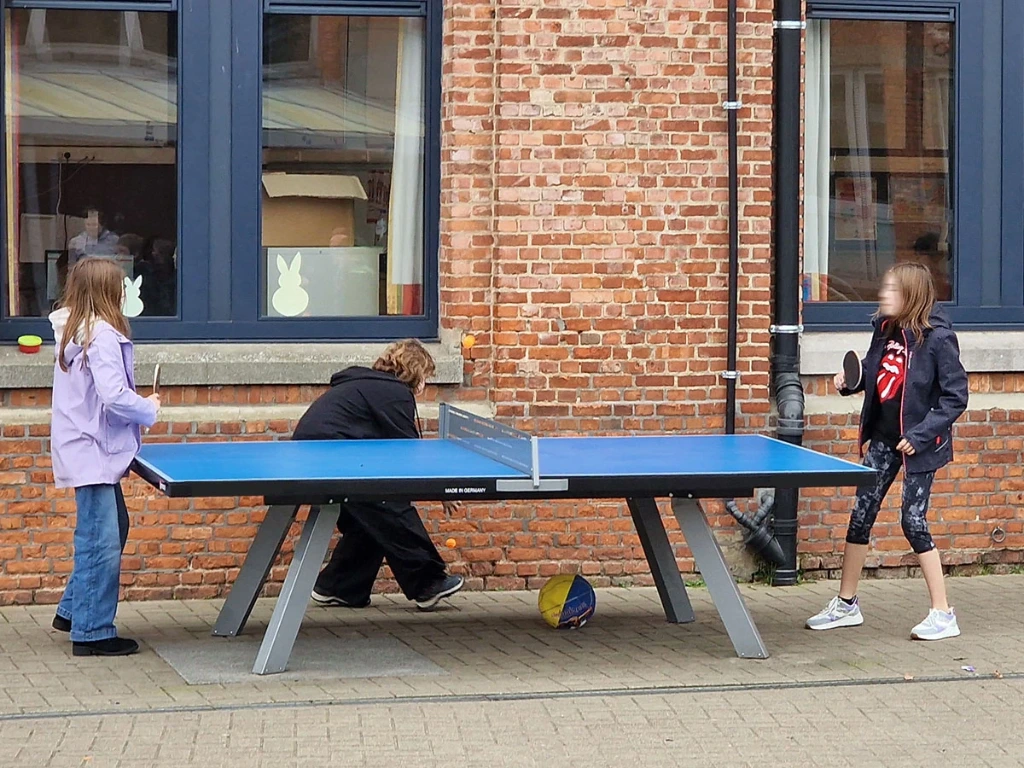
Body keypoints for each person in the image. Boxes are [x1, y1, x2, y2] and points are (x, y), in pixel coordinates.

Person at [806, 261, 968, 640]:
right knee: (860, 516)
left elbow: (955, 396)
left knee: (912, 522)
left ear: (910, 295)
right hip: (882, 439)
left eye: (892, 290)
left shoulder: (939, 340)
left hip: (919, 445)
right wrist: (849, 381)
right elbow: (874, 370)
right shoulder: (885, 330)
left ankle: (943, 613)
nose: (883, 295)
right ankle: (846, 605)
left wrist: (923, 433)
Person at [292, 339, 464, 611]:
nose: (426, 386)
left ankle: (339, 587)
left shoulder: (369, 385)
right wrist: (443, 488)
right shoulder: (393, 393)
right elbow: (408, 450)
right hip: (327, 459)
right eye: (426, 377)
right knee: (389, 505)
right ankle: (427, 583)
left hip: (320, 457)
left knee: (369, 519)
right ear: (416, 373)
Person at [48, 257, 161, 656]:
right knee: (100, 540)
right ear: (108, 292)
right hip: (92, 449)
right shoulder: (102, 336)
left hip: (81, 446)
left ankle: (72, 609)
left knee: (113, 526)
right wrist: (149, 408)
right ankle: (92, 631)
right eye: (121, 285)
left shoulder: (74, 331)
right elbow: (114, 396)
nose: (126, 290)